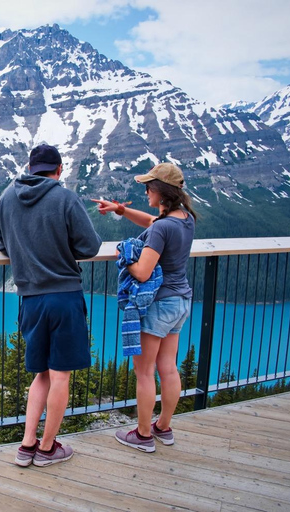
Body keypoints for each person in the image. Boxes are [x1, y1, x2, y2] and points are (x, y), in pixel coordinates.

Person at [0, 144, 103, 467]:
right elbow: (91, 246)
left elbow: (2, 245)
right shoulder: (65, 197)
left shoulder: (6, 199)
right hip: (64, 298)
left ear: (30, 169)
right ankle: (47, 448)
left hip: (30, 300)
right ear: (58, 171)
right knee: (60, 377)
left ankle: (26, 445)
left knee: (40, 375)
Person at [92, 162, 196, 453]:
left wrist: (125, 254)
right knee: (169, 369)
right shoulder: (184, 219)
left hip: (157, 305)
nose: (145, 191)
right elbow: (152, 223)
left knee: (145, 372)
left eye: (149, 186)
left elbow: (142, 272)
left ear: (161, 191)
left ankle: (143, 434)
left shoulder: (162, 228)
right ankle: (163, 427)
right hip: (180, 302)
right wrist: (119, 210)